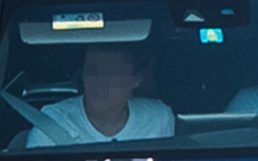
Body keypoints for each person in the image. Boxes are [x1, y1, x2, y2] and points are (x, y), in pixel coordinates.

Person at [20, 43, 175, 147]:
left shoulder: (158, 119)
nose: (99, 82)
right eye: (92, 71)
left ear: (135, 80)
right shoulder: (52, 125)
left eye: (111, 73)